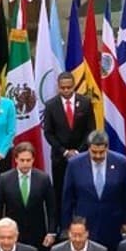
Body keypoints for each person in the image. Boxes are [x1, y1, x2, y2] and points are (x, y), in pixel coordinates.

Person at [60, 131, 126, 251]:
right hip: (85, 223)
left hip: (112, 222)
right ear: (88, 148)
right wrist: (66, 225)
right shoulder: (74, 164)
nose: (98, 156)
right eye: (94, 152)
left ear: (107, 148)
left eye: (101, 152)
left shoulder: (122, 163)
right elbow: (68, 197)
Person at [0, 142, 57, 251]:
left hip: (37, 235)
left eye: (28, 160)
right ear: (16, 159)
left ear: (33, 160)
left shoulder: (43, 178)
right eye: (22, 160)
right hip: (13, 235)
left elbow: (52, 208)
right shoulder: (5, 179)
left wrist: (51, 232)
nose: (25, 164)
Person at [41, 72, 95, 208]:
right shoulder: (51, 105)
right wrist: (64, 151)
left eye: (69, 87)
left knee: (82, 190)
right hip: (60, 158)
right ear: (58, 87)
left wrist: (78, 151)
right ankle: (61, 220)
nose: (66, 90)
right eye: (62, 88)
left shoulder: (85, 103)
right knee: (60, 192)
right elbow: (48, 133)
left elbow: (90, 130)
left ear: (74, 86)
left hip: (82, 155)